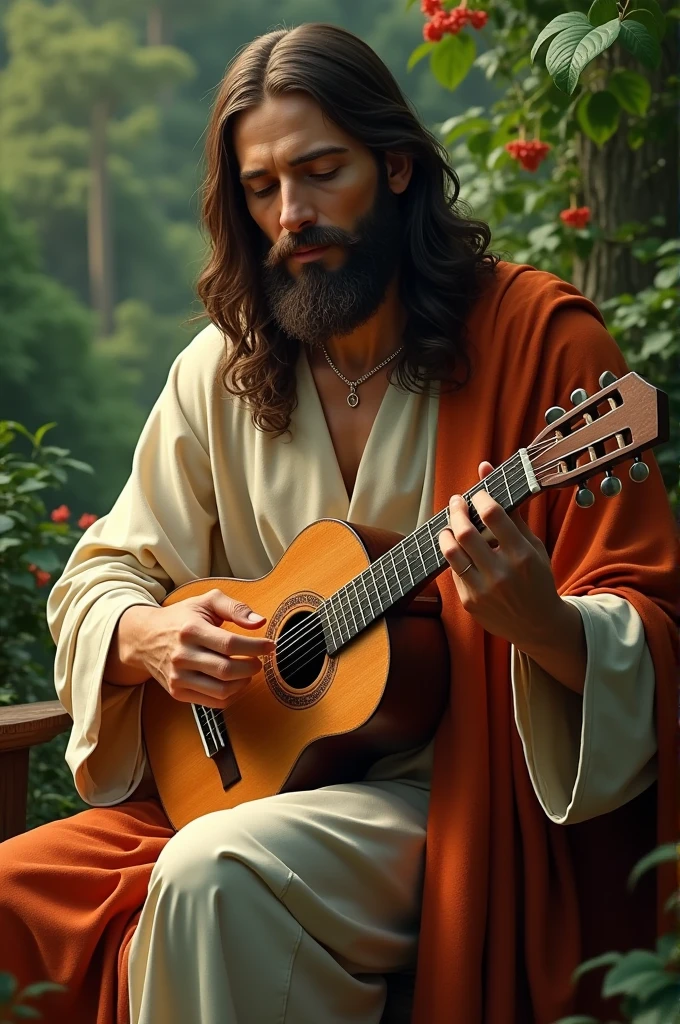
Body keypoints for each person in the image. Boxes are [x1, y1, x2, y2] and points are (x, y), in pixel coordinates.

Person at [0, 22, 677, 1024]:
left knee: (209, 874)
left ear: (396, 165)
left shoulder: (538, 345)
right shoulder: (221, 370)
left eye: (321, 173)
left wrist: (541, 621)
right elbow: (103, 575)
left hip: (458, 803)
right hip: (252, 788)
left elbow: (652, 628)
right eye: (262, 189)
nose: (293, 214)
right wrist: (148, 635)